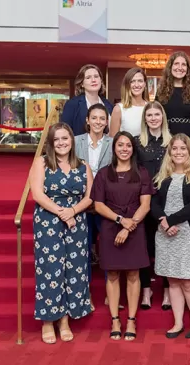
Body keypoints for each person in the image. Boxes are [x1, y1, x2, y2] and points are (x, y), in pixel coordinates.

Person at [29, 122, 94, 344]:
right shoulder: (42, 162)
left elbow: (90, 196)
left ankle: (65, 319)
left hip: (76, 221)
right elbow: (37, 193)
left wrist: (73, 211)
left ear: (72, 141)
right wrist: (62, 213)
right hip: (48, 220)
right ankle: (48, 320)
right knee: (51, 269)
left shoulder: (83, 165)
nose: (61, 143)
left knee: (74, 270)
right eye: (56, 139)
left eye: (65, 138)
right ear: (50, 142)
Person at [92, 131, 153, 341]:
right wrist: (120, 221)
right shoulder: (103, 174)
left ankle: (132, 320)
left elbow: (146, 205)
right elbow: (98, 205)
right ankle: (115, 319)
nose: (124, 149)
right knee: (113, 275)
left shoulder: (142, 173)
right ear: (114, 148)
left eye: (128, 145)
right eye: (120, 145)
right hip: (110, 227)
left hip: (135, 227)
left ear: (133, 149)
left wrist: (128, 227)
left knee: (134, 274)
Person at [151, 134, 190, 339]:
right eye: (174, 149)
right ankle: (177, 323)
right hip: (165, 233)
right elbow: (154, 203)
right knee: (173, 282)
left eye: (183, 149)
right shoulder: (162, 177)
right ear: (169, 153)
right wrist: (163, 221)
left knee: (188, 282)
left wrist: (172, 220)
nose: (178, 152)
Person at [134, 101, 173, 310]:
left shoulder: (172, 141)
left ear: (162, 117)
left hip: (167, 199)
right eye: (149, 115)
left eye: (157, 114)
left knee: (166, 246)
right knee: (145, 246)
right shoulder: (137, 142)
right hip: (144, 199)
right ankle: (146, 291)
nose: (153, 118)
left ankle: (167, 291)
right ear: (145, 119)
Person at [74, 103, 113, 310]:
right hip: (81, 203)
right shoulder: (75, 142)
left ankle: (110, 291)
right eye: (94, 118)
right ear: (87, 120)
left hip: (105, 203)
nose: (98, 122)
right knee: (83, 249)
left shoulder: (113, 143)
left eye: (102, 118)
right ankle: (84, 291)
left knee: (107, 248)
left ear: (107, 122)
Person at [156, 51, 190, 141]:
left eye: (183, 65)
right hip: (166, 138)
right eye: (176, 64)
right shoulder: (161, 91)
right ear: (170, 67)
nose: (180, 68)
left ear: (187, 69)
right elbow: (156, 116)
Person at [62, 64, 113, 136]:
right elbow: (64, 132)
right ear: (82, 83)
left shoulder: (108, 104)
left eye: (96, 76)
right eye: (88, 78)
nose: (93, 80)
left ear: (101, 80)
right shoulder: (72, 104)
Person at [109, 67, 149, 137]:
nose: (136, 85)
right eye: (132, 81)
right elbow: (113, 140)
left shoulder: (150, 107)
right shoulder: (119, 109)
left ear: (145, 84)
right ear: (127, 85)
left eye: (140, 81)